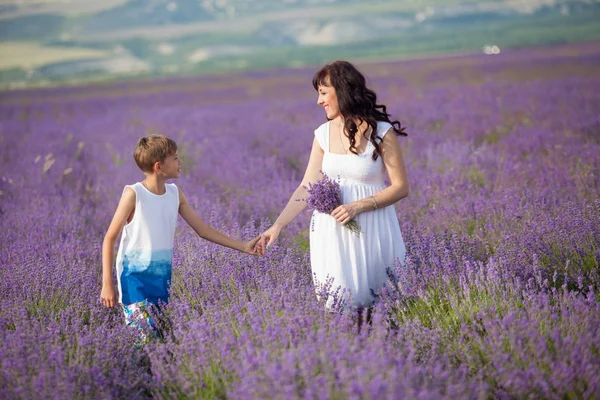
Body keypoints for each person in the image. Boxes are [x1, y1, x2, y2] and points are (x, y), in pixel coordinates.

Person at [256, 60, 409, 312]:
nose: (319, 101)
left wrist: (358, 206)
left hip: (374, 228)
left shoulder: (381, 132)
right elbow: (308, 186)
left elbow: (401, 187)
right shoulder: (322, 134)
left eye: (323, 93)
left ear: (343, 90)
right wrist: (278, 225)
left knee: (385, 304)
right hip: (333, 232)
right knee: (341, 305)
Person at [101, 135, 260, 342]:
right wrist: (107, 284)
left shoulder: (175, 193)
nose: (180, 163)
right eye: (175, 158)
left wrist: (244, 246)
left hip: (161, 280)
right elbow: (109, 239)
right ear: (159, 166)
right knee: (144, 341)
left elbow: (203, 229)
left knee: (160, 339)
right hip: (134, 280)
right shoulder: (134, 194)